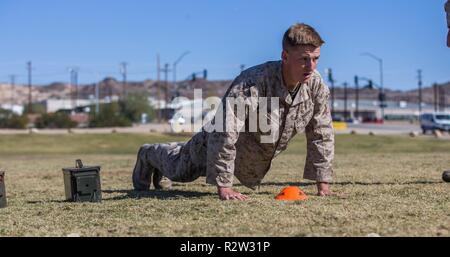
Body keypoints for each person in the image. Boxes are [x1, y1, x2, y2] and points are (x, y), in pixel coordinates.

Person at [132, 23, 335, 200]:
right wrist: (224, 186)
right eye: (304, 59)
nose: (311, 66)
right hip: (213, 143)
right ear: (285, 56)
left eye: (316, 58)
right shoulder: (253, 82)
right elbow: (225, 130)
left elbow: (321, 133)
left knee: (180, 163)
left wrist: (322, 184)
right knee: (180, 171)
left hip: (247, 156)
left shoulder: (315, 85)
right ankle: (148, 154)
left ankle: (170, 152)